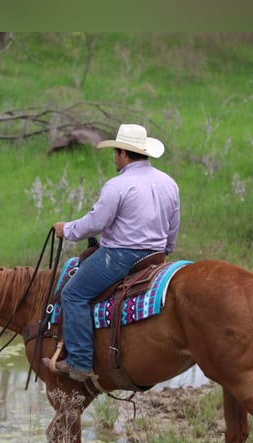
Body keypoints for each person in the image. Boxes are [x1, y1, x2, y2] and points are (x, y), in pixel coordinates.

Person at [48, 123, 180, 383]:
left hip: (120, 257)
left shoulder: (118, 185)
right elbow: (173, 225)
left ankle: (80, 361)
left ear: (122, 153)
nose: (115, 158)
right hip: (155, 257)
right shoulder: (169, 182)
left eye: (115, 153)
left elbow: (97, 223)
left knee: (73, 294)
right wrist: (166, 251)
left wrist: (68, 229)